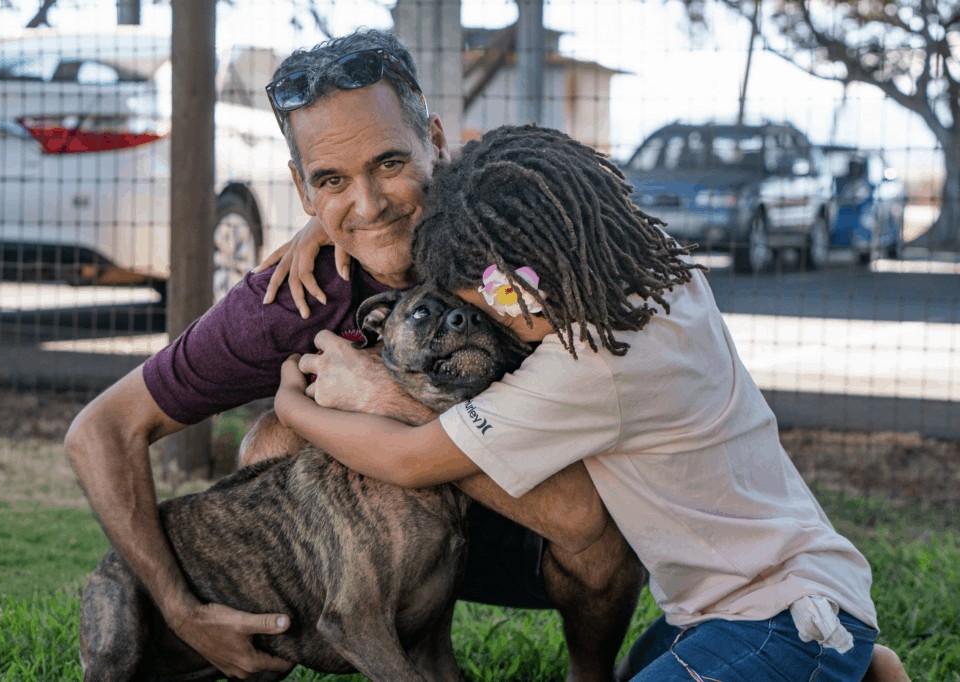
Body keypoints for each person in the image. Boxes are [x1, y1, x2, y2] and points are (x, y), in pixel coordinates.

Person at [66, 30, 640, 682]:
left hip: (537, 520)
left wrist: (386, 397)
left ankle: (592, 674)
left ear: (438, 142)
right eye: (332, 181)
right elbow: (100, 431)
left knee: (604, 529)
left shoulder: (507, 236)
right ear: (303, 189)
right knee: (275, 440)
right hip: (381, 544)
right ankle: (337, 625)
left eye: (389, 163)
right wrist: (178, 607)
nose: (368, 204)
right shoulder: (291, 298)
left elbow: (581, 512)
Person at [273, 124, 893, 680]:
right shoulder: (665, 278)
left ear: (536, 280)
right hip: (755, 598)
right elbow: (490, 176)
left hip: (773, 618)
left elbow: (411, 459)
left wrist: (298, 409)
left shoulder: (592, 365)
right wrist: (321, 225)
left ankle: (831, 660)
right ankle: (858, 664)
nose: (501, 325)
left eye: (500, 308)